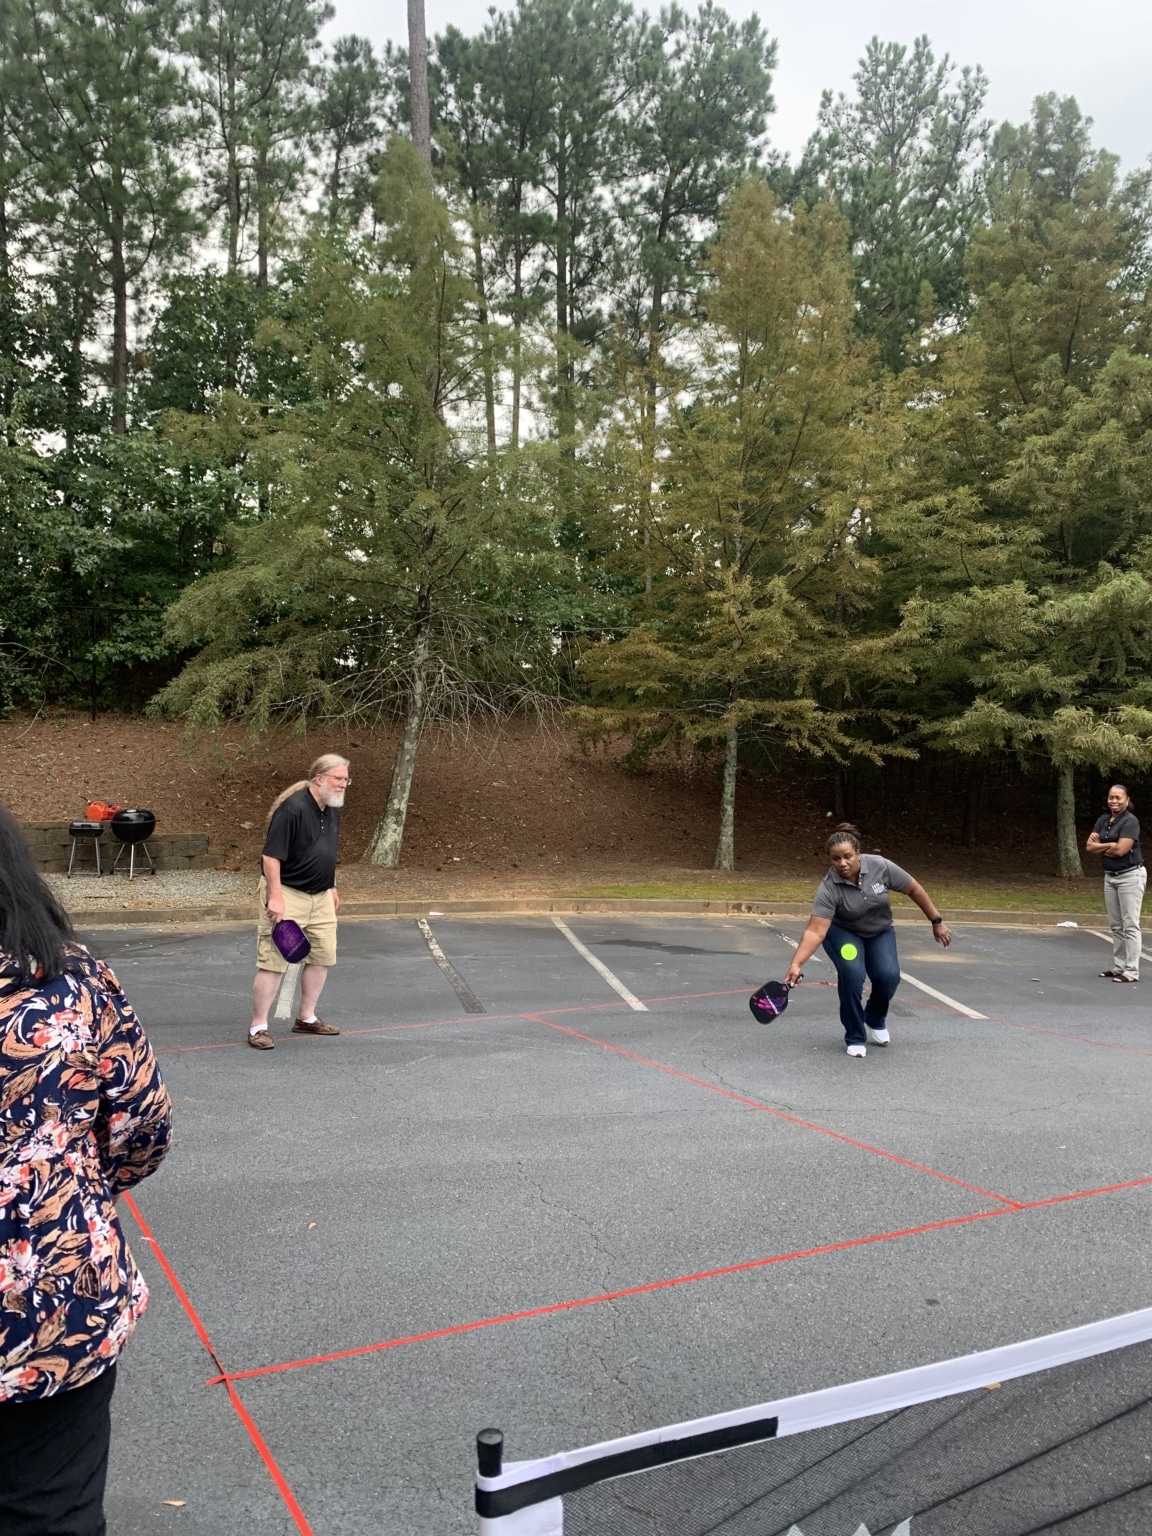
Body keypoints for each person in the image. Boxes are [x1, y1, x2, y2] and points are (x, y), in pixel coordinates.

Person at [0, 803, 171, 1534]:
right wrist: (73, 1187)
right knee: (52, 1512)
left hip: (50, 1300)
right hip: (54, 1301)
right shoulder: (73, 982)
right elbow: (142, 1126)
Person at [783, 822, 953, 1057]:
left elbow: (914, 889)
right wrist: (797, 963)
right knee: (853, 975)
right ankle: (855, 1035)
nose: (842, 863)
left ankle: (874, 1017)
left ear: (858, 853)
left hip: (879, 930)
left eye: (847, 856)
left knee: (889, 976)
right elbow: (815, 931)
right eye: (835, 859)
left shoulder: (880, 866)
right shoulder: (829, 888)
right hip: (844, 933)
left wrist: (937, 921)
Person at [249, 753, 350, 1049]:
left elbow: (327, 851)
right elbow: (270, 857)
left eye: (346, 779)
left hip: (320, 896)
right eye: (338, 778)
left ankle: (306, 1018)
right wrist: (276, 897)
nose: (343, 784)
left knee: (322, 957)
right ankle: (258, 1026)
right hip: (288, 893)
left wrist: (332, 885)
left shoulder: (331, 808)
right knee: (274, 961)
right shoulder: (292, 809)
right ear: (319, 778)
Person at [1086, 784, 1145, 983]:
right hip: (1110, 877)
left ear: (1127, 800)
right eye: (1111, 797)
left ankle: (1132, 971)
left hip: (1130, 876)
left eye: (1119, 797)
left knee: (1130, 925)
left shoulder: (1130, 821)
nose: (1114, 801)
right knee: (1116, 925)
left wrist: (1102, 846)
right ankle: (1119, 967)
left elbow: (1121, 850)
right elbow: (1089, 847)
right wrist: (1111, 844)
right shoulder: (1103, 820)